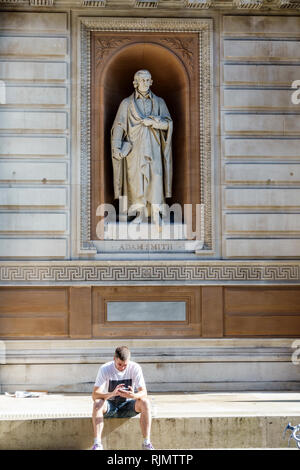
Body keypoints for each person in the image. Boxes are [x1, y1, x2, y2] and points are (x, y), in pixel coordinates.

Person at [111, 69, 173, 224]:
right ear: (135, 82)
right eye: (141, 80)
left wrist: (154, 122)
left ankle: (156, 213)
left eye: (147, 80)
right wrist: (116, 148)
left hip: (154, 148)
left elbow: (168, 124)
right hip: (134, 150)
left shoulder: (159, 102)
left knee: (156, 177)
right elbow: (119, 126)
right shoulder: (127, 103)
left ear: (151, 82)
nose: (145, 83)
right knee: (136, 181)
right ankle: (140, 214)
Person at [91, 345, 154, 450]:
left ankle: (146, 443)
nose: (122, 367)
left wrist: (133, 395)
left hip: (129, 405)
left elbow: (144, 392)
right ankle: (97, 444)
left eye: (125, 365)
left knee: (145, 402)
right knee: (97, 403)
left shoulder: (135, 368)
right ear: (114, 359)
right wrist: (112, 394)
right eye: (119, 364)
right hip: (110, 406)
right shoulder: (105, 369)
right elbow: (94, 395)